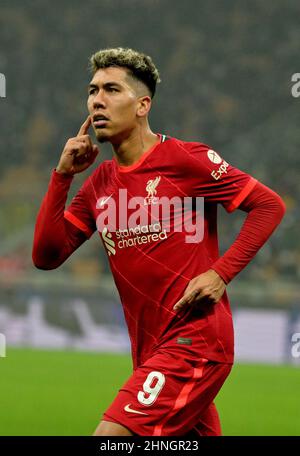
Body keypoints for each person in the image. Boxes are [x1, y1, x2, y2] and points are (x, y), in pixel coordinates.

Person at [32, 47, 285, 437]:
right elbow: (46, 257)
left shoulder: (184, 159)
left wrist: (220, 275)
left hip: (194, 341)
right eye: (93, 90)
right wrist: (62, 176)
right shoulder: (99, 183)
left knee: (110, 438)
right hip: (150, 350)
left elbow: (269, 205)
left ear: (142, 105)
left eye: (112, 90)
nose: (97, 100)